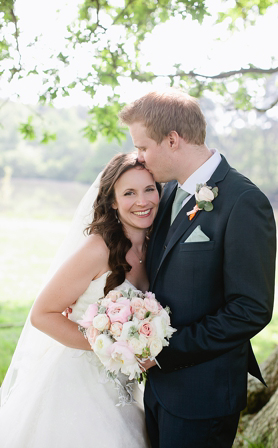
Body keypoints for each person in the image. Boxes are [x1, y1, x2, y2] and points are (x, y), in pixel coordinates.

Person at [118, 89, 277, 448]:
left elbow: (250, 309)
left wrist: (164, 351)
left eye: (143, 148)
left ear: (172, 140)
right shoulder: (169, 193)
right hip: (159, 392)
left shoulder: (244, 201)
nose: (138, 158)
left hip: (203, 397)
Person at [0, 152, 160, 447]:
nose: (143, 201)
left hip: (123, 387)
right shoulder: (97, 249)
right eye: (129, 193)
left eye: (149, 189)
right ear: (112, 201)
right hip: (76, 383)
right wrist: (111, 345)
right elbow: (42, 314)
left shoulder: (155, 248)